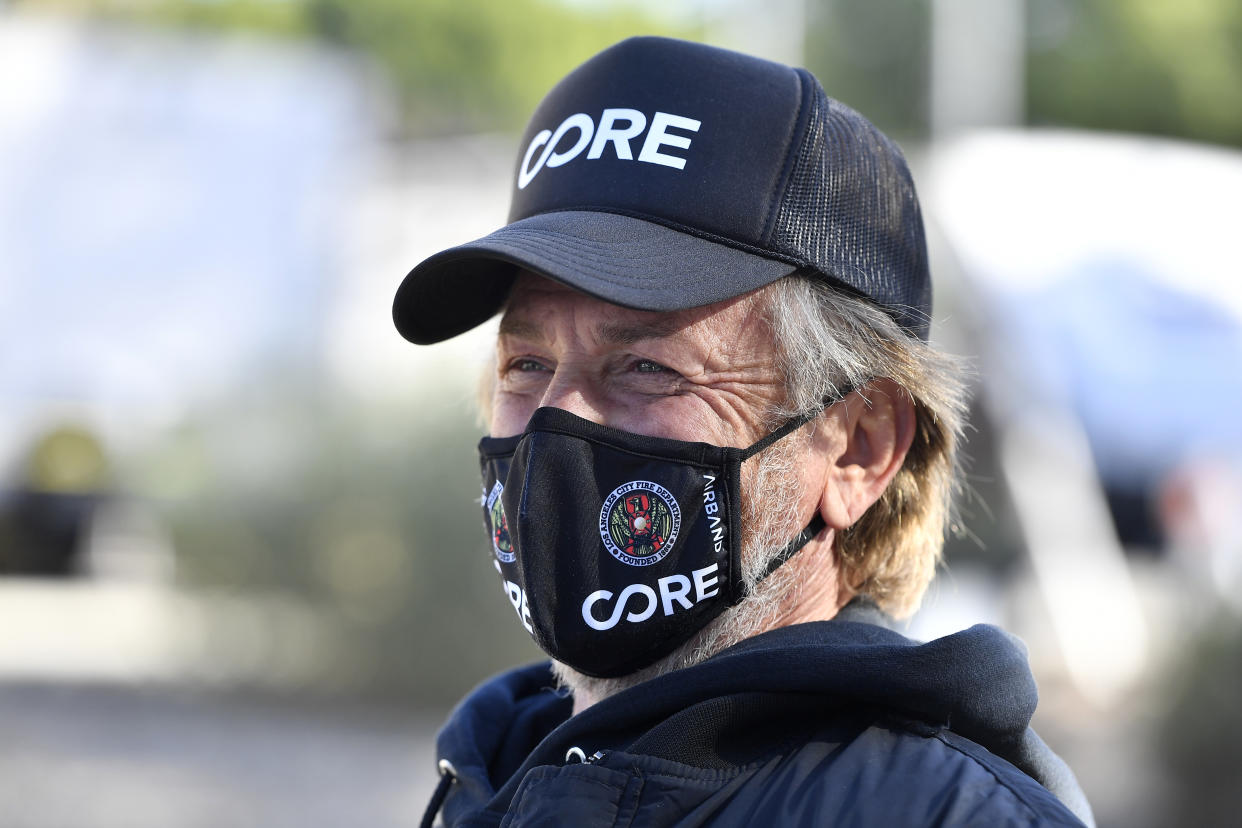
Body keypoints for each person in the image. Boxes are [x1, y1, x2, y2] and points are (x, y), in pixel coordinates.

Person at [394, 36, 1093, 828]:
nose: (561, 418)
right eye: (526, 363)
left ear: (860, 448)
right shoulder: (496, 771)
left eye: (648, 366)